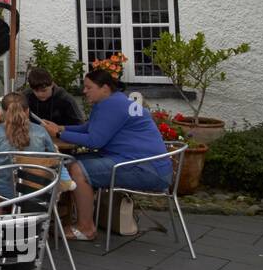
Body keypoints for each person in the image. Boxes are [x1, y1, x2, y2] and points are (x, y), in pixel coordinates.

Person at [42, 68, 174, 241]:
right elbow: (89, 128)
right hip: (143, 162)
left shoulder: (112, 105)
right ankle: (74, 217)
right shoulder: (113, 101)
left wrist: (58, 134)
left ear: (104, 88)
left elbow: (95, 141)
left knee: (77, 169)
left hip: (147, 168)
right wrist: (61, 128)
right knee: (69, 162)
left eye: (89, 87)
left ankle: (86, 228)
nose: (84, 91)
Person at [0, 92, 71, 205]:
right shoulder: (41, 131)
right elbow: (54, 159)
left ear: (3, 112)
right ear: (28, 110)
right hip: (36, 190)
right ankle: (34, 216)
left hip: (5, 190)